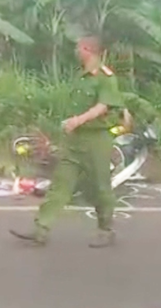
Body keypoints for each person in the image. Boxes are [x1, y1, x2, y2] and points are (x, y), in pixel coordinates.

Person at [10, 36, 124, 248]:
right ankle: (41, 228)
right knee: (60, 184)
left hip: (97, 139)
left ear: (88, 49)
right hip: (76, 140)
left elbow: (104, 106)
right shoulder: (80, 76)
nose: (75, 51)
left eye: (78, 47)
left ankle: (105, 229)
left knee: (100, 186)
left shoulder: (105, 77)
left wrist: (78, 120)